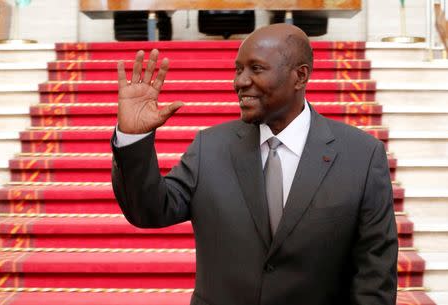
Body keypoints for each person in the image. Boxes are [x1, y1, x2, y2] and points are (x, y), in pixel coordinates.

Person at [111, 23, 398, 305]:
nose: (240, 81)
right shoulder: (210, 147)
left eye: (256, 69)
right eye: (238, 70)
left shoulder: (361, 155)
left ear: (300, 76)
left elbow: (374, 274)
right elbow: (149, 210)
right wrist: (133, 138)